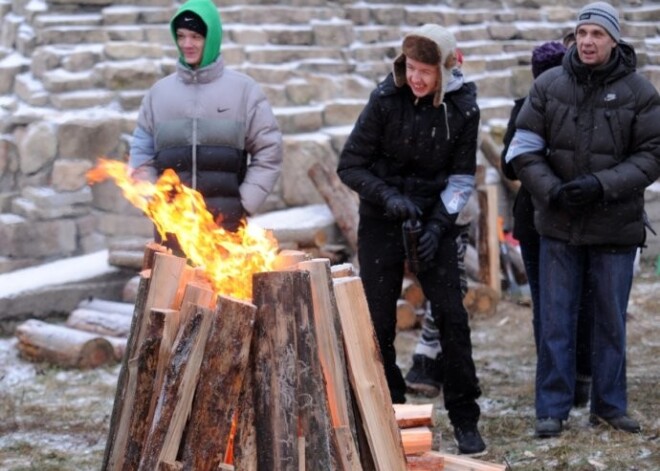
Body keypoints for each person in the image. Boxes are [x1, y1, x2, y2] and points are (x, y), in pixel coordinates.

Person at [507, 1, 660, 438]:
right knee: (556, 320)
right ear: (574, 38)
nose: (589, 41)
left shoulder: (640, 93)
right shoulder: (549, 85)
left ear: (614, 39)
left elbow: (652, 155)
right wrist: (550, 190)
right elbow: (524, 148)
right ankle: (552, 409)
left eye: (598, 34)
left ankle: (610, 406)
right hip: (559, 225)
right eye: (583, 33)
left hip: (615, 226)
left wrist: (600, 184)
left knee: (610, 321)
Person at [337, 24, 486, 455]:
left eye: (426, 70)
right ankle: (389, 404)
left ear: (444, 69)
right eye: (412, 68)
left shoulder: (463, 109)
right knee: (377, 323)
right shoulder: (386, 99)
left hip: (435, 218)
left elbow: (461, 177)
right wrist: (388, 197)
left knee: (453, 318)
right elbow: (350, 165)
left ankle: (464, 416)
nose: (417, 78)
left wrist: (439, 224)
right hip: (383, 219)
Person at [128, 0, 282, 247]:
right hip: (172, 231)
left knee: (223, 287)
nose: (187, 44)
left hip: (226, 231)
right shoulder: (159, 94)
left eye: (196, 36)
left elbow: (269, 151)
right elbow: (141, 152)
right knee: (171, 287)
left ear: (211, 38)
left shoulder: (244, 91)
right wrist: (152, 200)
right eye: (181, 36)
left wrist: (244, 203)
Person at [501, 41, 592, 409]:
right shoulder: (526, 107)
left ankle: (576, 378)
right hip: (539, 219)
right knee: (553, 304)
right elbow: (510, 164)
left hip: (571, 215)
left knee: (564, 303)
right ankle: (563, 380)